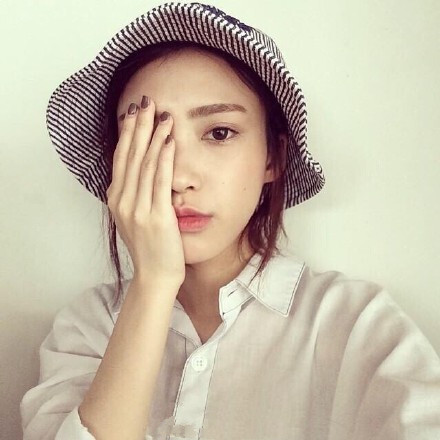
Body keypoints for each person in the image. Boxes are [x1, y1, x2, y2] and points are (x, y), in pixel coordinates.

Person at [19, 2, 440, 439]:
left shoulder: (355, 325)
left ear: (273, 157)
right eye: (146, 139)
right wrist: (154, 283)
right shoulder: (89, 326)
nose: (178, 178)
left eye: (219, 133)